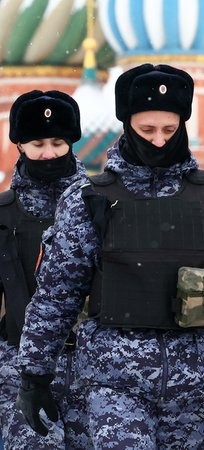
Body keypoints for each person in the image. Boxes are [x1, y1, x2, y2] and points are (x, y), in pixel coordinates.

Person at [14, 63, 204, 448]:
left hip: (193, 383)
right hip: (114, 380)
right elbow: (57, 295)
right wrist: (34, 373)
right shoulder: (90, 200)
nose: (158, 142)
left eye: (168, 130)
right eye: (147, 130)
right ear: (127, 126)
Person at [0, 90, 91, 449]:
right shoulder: (4, 214)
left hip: (92, 366)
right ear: (20, 145)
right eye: (38, 143)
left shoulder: (100, 206)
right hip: (16, 369)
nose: (49, 153)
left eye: (58, 142)